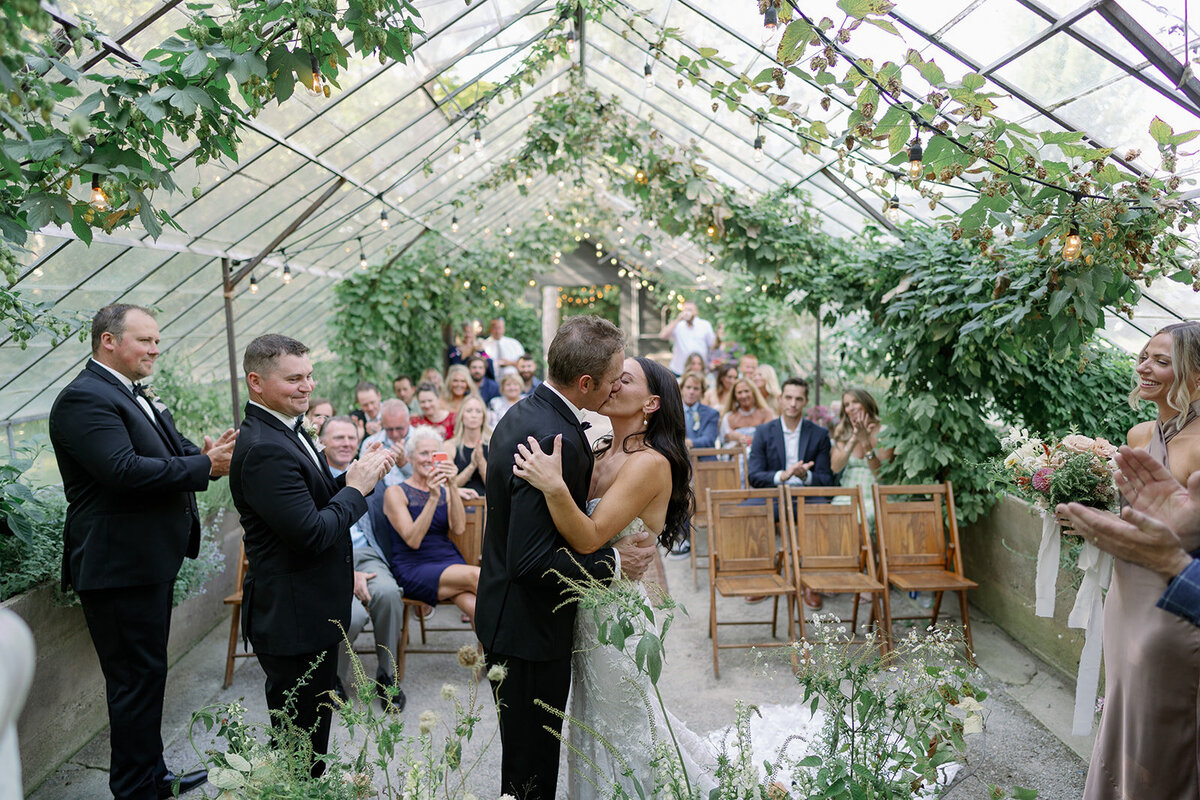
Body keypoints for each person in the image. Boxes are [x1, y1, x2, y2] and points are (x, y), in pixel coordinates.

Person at [49, 304, 235, 800]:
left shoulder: (132, 393)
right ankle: (135, 789)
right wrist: (205, 468)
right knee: (132, 681)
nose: (156, 349)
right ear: (108, 341)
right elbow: (123, 471)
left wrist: (206, 456)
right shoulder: (84, 398)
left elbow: (171, 452)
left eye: (157, 340)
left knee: (147, 674)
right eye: (145, 340)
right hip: (116, 567)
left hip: (144, 562)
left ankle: (152, 776)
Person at [510, 356, 717, 798]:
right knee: (591, 725)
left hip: (616, 618)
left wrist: (553, 485)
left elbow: (588, 539)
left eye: (625, 379)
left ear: (652, 403)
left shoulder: (649, 464)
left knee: (624, 728)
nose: (612, 384)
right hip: (583, 611)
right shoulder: (601, 448)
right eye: (611, 378)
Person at [477, 316, 655, 800]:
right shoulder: (556, 441)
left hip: (508, 618)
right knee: (531, 772)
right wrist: (614, 565)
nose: (618, 384)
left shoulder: (524, 412)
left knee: (524, 762)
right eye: (615, 377)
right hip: (529, 631)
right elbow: (531, 561)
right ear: (584, 383)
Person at [229, 334, 393, 776]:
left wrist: (360, 477)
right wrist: (356, 489)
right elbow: (311, 532)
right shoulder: (265, 447)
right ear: (256, 382)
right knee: (300, 748)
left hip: (310, 611)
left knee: (312, 736)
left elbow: (314, 503)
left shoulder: (286, 429)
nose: (307, 386)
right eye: (294, 379)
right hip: (292, 618)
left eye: (309, 376)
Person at [1071, 322, 1200, 800]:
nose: (1145, 367)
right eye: (1145, 355)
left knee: (1159, 726)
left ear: (1197, 376)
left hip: (1172, 602)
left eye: (1162, 360)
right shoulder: (1140, 431)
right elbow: (1135, 512)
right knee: (1124, 709)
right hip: (1124, 595)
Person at [1059, 445, 1200, 626]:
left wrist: (1171, 561)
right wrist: (1187, 538)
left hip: (1169, 609)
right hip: (1129, 589)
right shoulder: (1139, 436)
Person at [320, 417, 406, 713]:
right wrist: (350, 575)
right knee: (352, 617)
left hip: (367, 554)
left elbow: (402, 488)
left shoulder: (367, 470)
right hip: (329, 559)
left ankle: (387, 675)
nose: (345, 443)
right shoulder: (316, 477)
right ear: (321, 442)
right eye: (338, 438)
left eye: (350, 438)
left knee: (389, 594)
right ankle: (334, 679)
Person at [747, 377, 834, 609]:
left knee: (824, 513)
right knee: (744, 513)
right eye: (788, 397)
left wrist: (806, 476)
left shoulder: (819, 434)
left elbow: (827, 479)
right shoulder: (764, 432)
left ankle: (811, 583)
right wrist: (781, 475)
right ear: (780, 399)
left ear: (805, 402)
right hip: (774, 494)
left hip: (806, 495)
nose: (793, 403)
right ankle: (762, 578)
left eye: (798, 399)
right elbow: (754, 476)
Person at [383, 426, 478, 623]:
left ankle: (490, 654)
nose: (429, 458)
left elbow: (459, 528)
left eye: (434, 454)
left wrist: (452, 485)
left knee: (478, 610)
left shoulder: (445, 490)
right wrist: (433, 498)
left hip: (448, 561)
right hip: (414, 566)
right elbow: (413, 540)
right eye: (423, 453)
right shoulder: (396, 492)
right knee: (478, 576)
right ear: (410, 457)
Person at [829, 388, 893, 530]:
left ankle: (866, 553)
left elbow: (880, 475)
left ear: (866, 403)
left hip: (875, 494)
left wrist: (865, 443)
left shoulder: (885, 431)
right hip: (847, 494)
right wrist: (853, 438)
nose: (851, 408)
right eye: (846, 405)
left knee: (858, 519)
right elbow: (835, 467)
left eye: (855, 402)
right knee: (834, 517)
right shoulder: (842, 430)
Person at [446, 394, 490, 498]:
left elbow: (494, 486)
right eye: (469, 411)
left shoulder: (492, 445)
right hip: (458, 505)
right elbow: (449, 486)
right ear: (461, 415)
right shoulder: (449, 446)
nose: (473, 415)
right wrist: (472, 466)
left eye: (478, 411)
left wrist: (480, 461)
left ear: (483, 417)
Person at [360, 398, 413, 483]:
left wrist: (404, 464)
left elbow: (426, 479)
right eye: (389, 429)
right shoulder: (371, 443)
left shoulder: (421, 440)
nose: (395, 434)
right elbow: (362, 480)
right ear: (382, 424)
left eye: (399, 428)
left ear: (409, 421)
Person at [660, 301, 716, 376]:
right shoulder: (678, 325)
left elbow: (713, 345)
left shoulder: (705, 325)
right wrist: (677, 319)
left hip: (699, 370)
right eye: (685, 310)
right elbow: (663, 336)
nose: (687, 312)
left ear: (696, 312)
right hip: (679, 369)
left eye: (690, 310)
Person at [719, 377, 775, 448]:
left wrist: (748, 440)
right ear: (735, 396)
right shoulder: (729, 417)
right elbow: (724, 441)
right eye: (739, 392)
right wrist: (737, 438)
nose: (743, 396)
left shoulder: (766, 413)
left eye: (746, 391)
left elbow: (770, 437)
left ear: (753, 392)